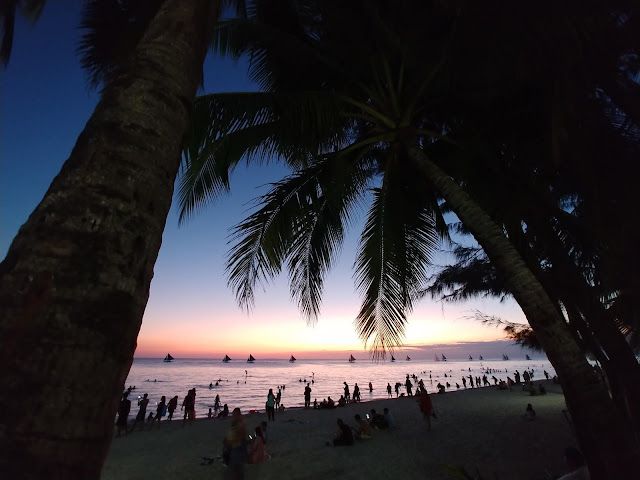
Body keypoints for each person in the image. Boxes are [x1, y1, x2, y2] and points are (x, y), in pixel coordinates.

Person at [223, 408, 247, 479]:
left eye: (235, 415)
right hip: (234, 449)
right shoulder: (236, 423)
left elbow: (238, 437)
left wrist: (228, 443)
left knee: (235, 470)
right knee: (236, 471)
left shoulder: (240, 424)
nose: (234, 416)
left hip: (237, 449)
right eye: (233, 415)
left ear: (239, 415)